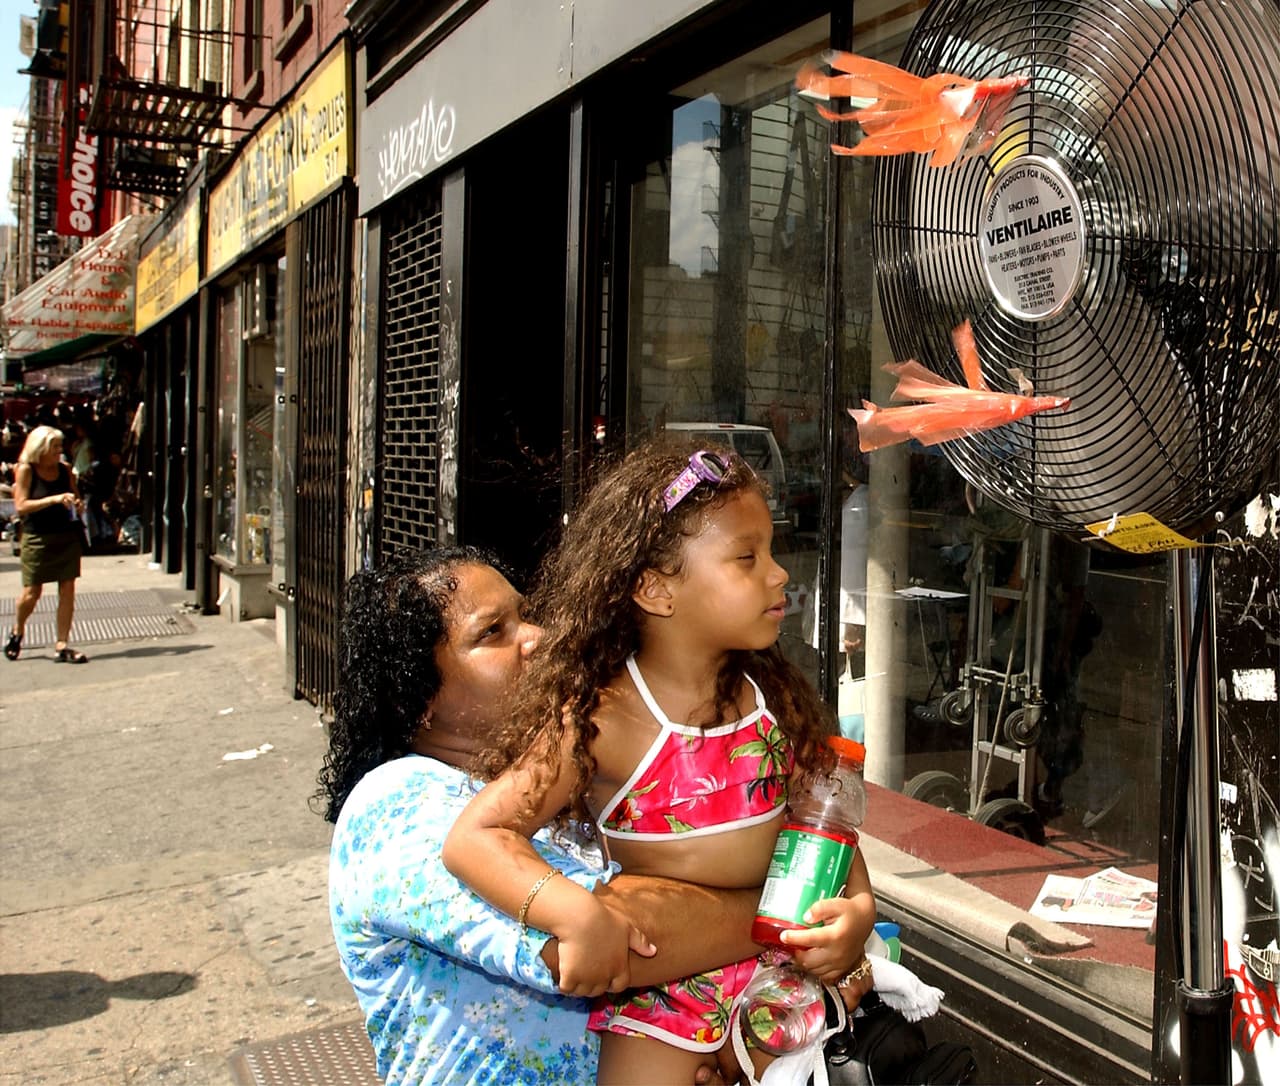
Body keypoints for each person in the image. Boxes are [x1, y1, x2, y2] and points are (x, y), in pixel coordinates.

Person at [319, 547, 864, 1086]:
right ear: (418, 699)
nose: (535, 638)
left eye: (525, 615)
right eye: (493, 633)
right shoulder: (395, 809)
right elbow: (626, 940)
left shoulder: (571, 772)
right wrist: (795, 911)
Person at [444, 439, 875, 1084]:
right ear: (655, 589)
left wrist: (858, 911)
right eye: (746, 558)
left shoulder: (773, 701)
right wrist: (568, 909)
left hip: (786, 999)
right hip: (663, 1011)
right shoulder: (599, 720)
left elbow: (824, 827)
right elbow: (477, 836)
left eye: (772, 552)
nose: (779, 574)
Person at [5, 425, 89, 663]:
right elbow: (21, 506)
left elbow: (74, 496)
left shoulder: (65, 470)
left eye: (59, 447)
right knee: (32, 592)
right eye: (54, 448)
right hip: (37, 537)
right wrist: (53, 499)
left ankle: (62, 643)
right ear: (40, 449)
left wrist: (77, 504)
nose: (59, 452)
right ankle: (18, 630)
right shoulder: (26, 470)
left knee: (67, 587)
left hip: (65, 536)